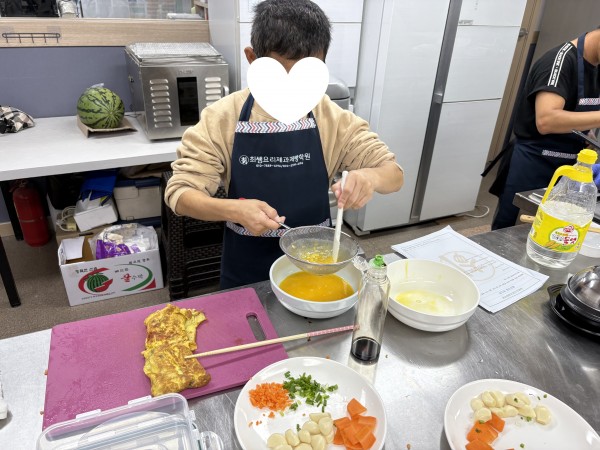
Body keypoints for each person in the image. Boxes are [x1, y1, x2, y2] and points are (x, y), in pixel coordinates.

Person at [165, 0, 404, 289]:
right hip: (247, 269)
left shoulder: (330, 117)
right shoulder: (223, 117)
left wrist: (369, 177)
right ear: (252, 58)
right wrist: (232, 210)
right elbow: (180, 194)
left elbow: (394, 175)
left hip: (316, 267)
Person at [492, 27, 600, 230]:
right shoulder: (559, 61)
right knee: (513, 229)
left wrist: (588, 133)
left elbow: (579, 109)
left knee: (553, 230)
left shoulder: (595, 65)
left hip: (570, 166)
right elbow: (546, 120)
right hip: (535, 162)